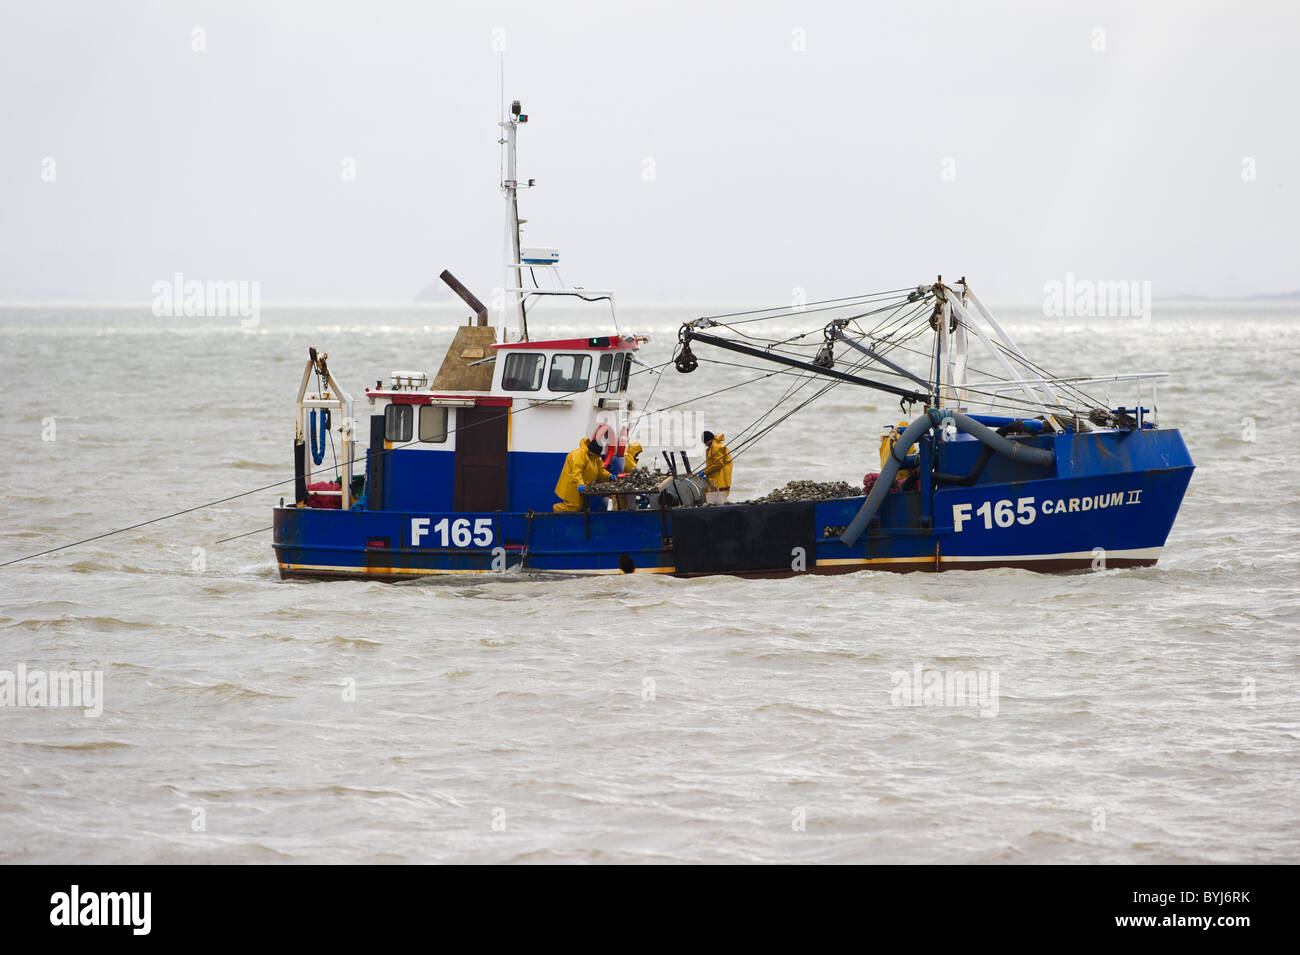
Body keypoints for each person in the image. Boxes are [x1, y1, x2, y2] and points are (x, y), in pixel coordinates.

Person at [553, 437, 612, 513]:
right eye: (595, 454)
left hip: (584, 486)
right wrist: (580, 485)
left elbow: (600, 470)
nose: (597, 456)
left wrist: (609, 476)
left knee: (582, 507)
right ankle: (556, 511)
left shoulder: (595, 457)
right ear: (592, 451)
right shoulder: (578, 454)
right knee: (574, 507)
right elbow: (576, 472)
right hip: (573, 485)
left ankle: (575, 523)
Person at [700, 431, 732, 505]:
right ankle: (717, 505)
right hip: (716, 474)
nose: (705, 445)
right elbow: (712, 464)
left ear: (708, 440)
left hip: (721, 474)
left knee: (719, 493)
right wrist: (707, 474)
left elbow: (718, 464)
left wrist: (705, 472)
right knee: (715, 494)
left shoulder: (716, 447)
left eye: (705, 443)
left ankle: (718, 508)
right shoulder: (713, 446)